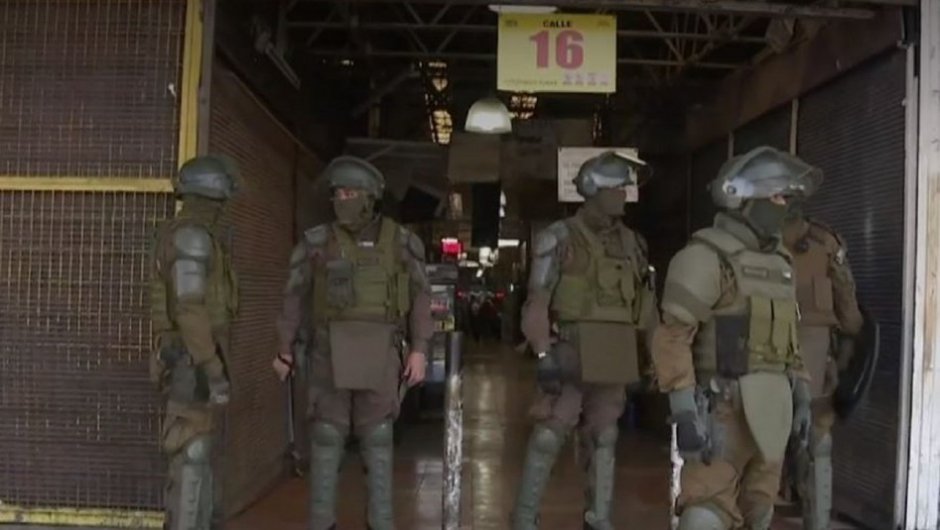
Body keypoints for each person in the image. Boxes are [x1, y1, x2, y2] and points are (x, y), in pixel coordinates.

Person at [652, 146, 821, 530]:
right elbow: (672, 337)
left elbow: (788, 340)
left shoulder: (781, 263)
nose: (785, 207)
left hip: (772, 411)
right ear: (743, 198)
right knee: (704, 512)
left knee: (759, 510)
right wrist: (683, 410)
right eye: (777, 197)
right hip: (722, 411)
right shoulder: (705, 256)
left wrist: (802, 395)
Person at [272, 155, 433, 530]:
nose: (342, 200)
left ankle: (380, 522)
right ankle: (322, 523)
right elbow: (293, 297)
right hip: (328, 353)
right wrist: (284, 347)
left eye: (350, 193)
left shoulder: (401, 242)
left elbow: (421, 298)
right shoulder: (316, 242)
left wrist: (420, 349)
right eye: (338, 194)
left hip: (382, 354)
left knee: (378, 440)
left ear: (370, 197)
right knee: (327, 439)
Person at [512, 150, 658, 530]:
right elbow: (537, 301)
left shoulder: (633, 244)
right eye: (616, 187)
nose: (623, 195)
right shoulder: (559, 237)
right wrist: (542, 352)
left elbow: (646, 308)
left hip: (613, 356)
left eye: (625, 188)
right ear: (593, 189)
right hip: (570, 353)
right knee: (549, 435)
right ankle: (524, 519)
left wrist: (653, 358)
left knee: (605, 436)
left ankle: (598, 518)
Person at [149, 155, 240, 530]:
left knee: (198, 449)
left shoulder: (195, 235)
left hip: (194, 354)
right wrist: (212, 367)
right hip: (191, 358)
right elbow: (189, 308)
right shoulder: (192, 238)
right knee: (192, 447)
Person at [781, 203, 864, 530]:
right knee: (817, 436)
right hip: (812, 346)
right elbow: (849, 312)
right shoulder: (824, 241)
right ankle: (815, 520)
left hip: (762, 345)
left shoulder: (751, 236)